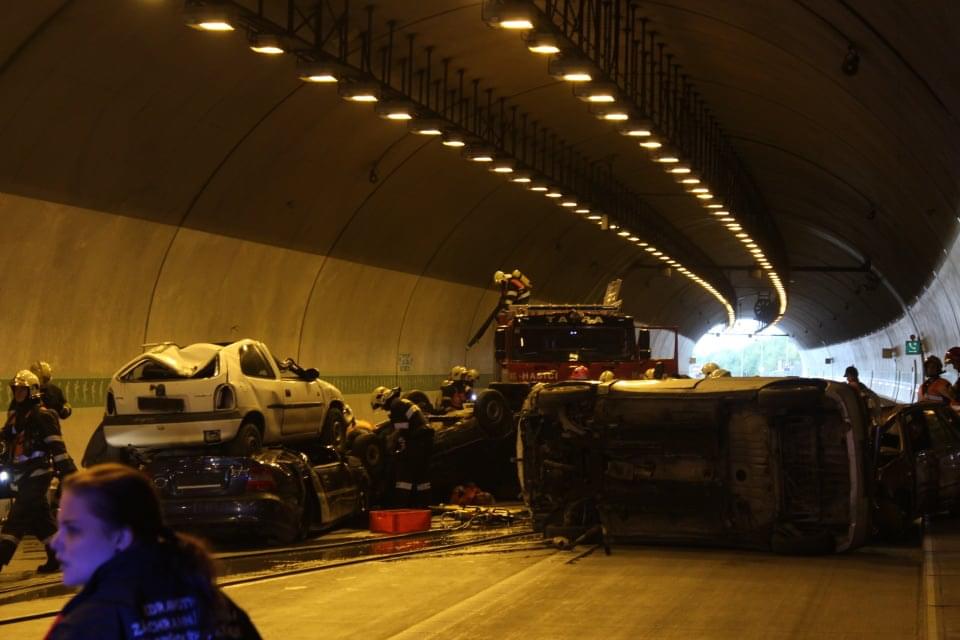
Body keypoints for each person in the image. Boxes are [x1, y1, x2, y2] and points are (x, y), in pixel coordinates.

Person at [44, 464, 261, 639]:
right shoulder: (215, 604)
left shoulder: (88, 624)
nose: (56, 542)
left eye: (72, 529)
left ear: (122, 538)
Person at [0, 370, 77, 574]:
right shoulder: (15, 416)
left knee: (17, 517)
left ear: (32, 391)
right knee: (40, 519)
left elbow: (57, 448)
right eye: (16, 390)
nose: (18, 394)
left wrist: (69, 474)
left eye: (22, 390)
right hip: (20, 474)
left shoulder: (44, 416)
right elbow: (6, 439)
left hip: (38, 473)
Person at [370, 386, 434, 508]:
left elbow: (399, 431)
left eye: (381, 406)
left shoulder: (396, 406)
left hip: (417, 441)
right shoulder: (403, 402)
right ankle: (423, 506)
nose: (383, 408)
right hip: (426, 441)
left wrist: (390, 444)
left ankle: (401, 506)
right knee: (422, 478)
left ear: (383, 399)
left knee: (404, 472)